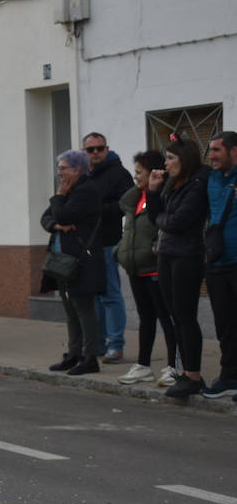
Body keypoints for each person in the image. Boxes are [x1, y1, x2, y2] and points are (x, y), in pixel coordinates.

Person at [150, 137, 210, 399]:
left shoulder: (197, 184)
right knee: (175, 314)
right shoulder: (172, 184)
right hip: (167, 253)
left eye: (171, 158)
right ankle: (186, 373)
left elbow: (179, 221)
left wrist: (164, 220)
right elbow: (157, 218)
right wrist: (152, 191)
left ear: (184, 159)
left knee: (185, 315)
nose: (166, 163)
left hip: (187, 255)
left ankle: (193, 375)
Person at [40, 149, 106, 376]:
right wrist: (57, 225)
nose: (59, 173)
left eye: (63, 168)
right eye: (59, 168)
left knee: (84, 309)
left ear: (78, 169)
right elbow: (47, 218)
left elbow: (63, 215)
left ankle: (90, 357)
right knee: (70, 310)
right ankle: (74, 354)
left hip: (80, 260)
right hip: (62, 261)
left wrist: (59, 198)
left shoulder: (85, 191)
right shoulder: (69, 190)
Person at [114, 151, 176, 386]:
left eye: (139, 172)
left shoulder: (162, 196)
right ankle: (143, 365)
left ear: (153, 173)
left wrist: (154, 247)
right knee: (146, 318)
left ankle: (173, 366)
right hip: (136, 268)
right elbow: (131, 231)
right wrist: (120, 251)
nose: (135, 176)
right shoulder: (134, 198)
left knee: (166, 318)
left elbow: (163, 226)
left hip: (155, 268)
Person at [83, 132, 134, 363]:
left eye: (99, 148)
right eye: (90, 149)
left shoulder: (119, 173)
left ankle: (116, 345)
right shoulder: (83, 173)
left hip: (107, 242)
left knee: (110, 295)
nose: (95, 153)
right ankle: (98, 342)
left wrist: (97, 210)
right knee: (93, 295)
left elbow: (127, 204)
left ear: (107, 149)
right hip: (86, 244)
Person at [202, 132, 237, 399]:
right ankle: (229, 377)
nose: (211, 156)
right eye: (209, 150)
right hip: (217, 263)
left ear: (234, 151)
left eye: (216, 150)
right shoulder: (210, 178)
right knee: (225, 324)